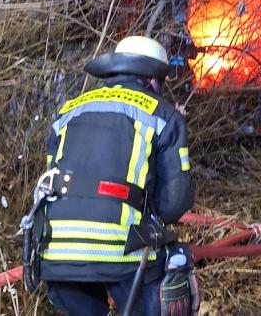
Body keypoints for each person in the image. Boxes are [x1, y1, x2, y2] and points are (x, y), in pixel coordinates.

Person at [32, 36, 196, 315]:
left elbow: (50, 179)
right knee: (174, 267)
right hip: (121, 254)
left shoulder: (68, 111)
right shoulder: (161, 115)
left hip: (55, 254)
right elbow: (174, 202)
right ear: (153, 79)